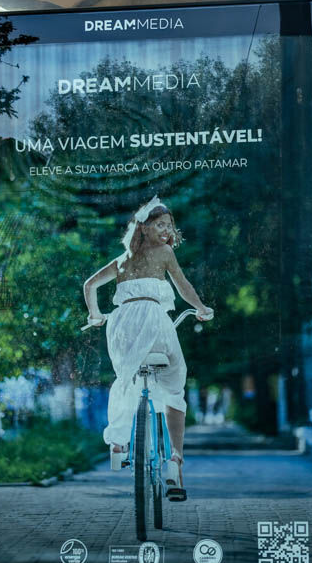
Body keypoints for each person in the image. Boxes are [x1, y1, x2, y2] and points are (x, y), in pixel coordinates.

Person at [83, 196, 214, 499]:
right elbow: (183, 285)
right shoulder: (165, 252)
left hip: (120, 330)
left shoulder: (121, 260)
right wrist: (201, 308)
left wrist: (95, 315)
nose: (167, 230)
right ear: (143, 227)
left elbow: (89, 285)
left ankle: (119, 444)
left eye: (169, 225)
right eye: (160, 225)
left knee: (127, 378)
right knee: (174, 386)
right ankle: (175, 461)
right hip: (153, 323)